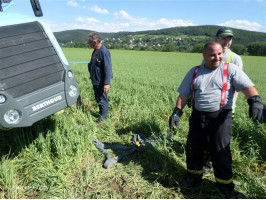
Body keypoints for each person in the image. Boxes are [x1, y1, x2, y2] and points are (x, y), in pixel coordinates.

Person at [169, 41, 265, 198]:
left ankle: (225, 186)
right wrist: (176, 112)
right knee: (193, 149)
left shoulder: (230, 70)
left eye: (220, 54)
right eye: (213, 54)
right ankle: (194, 176)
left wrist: (255, 101)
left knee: (220, 153)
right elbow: (183, 95)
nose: (217, 57)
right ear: (204, 55)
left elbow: (247, 87)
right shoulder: (195, 72)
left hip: (220, 117)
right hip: (197, 116)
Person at [88, 33, 113, 125]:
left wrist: (106, 83)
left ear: (95, 42)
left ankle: (103, 120)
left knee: (102, 100)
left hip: (101, 81)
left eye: (89, 42)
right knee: (99, 99)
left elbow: (107, 68)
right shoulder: (96, 50)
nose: (88, 43)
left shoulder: (104, 52)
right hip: (96, 79)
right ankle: (101, 114)